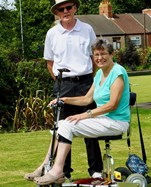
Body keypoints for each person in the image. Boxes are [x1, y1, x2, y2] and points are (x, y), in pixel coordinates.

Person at [24, 39, 131, 185]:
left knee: (67, 125)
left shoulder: (118, 72)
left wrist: (85, 115)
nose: (100, 58)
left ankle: (56, 171)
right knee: (61, 123)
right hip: (103, 120)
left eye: (103, 54)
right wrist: (63, 99)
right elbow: (87, 99)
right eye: (96, 55)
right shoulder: (99, 74)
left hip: (116, 122)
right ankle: (45, 166)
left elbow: (112, 105)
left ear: (111, 54)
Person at [44, 0, 103, 180]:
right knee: (63, 128)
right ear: (57, 12)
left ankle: (95, 170)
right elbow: (50, 63)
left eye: (68, 7)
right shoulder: (52, 34)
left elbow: (95, 58)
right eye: (61, 9)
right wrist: (63, 82)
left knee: (91, 126)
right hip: (64, 85)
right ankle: (64, 172)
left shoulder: (87, 30)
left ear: (75, 8)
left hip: (86, 82)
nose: (65, 11)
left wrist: (87, 79)